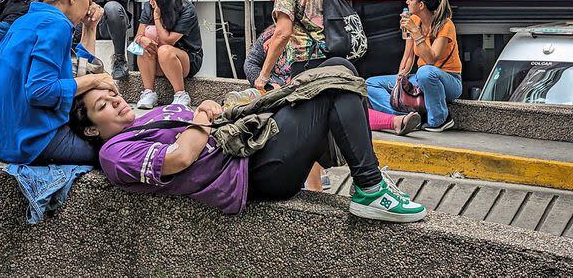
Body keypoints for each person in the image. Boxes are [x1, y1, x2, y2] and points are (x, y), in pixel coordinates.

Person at [69, 57, 427, 223]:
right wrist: (200, 116)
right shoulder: (115, 154)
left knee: (341, 67)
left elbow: (202, 124)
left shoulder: (145, 118)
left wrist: (210, 109)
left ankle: (371, 179)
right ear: (90, 129)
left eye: (113, 95)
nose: (116, 101)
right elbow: (179, 157)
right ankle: (369, 187)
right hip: (251, 172)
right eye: (103, 105)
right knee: (334, 90)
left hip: (252, 142)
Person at [0, 0, 118, 165]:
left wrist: (90, 27)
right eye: (89, 1)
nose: (89, 8)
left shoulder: (26, 21)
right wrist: (96, 80)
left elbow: (78, 70)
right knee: (118, 148)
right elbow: (40, 91)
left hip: (9, 142)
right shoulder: (56, 25)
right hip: (36, 142)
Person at [245, 25, 421, 136]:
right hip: (282, 96)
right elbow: (250, 63)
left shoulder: (316, 39)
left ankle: (396, 121)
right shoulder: (271, 36)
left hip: (310, 91)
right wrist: (267, 85)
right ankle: (396, 121)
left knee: (344, 108)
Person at [366, 0, 463, 132]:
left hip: (448, 81)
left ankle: (439, 120)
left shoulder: (445, 25)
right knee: (370, 84)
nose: (407, 2)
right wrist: (401, 78)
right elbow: (408, 57)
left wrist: (416, 32)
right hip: (420, 78)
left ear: (421, 4)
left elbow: (432, 59)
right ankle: (404, 118)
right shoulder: (415, 21)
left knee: (425, 71)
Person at [134, 0, 203, 110]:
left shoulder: (187, 10)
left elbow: (167, 40)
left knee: (164, 50)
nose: (150, 2)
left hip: (186, 60)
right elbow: (138, 36)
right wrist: (141, 40)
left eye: (154, 0)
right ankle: (148, 92)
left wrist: (157, 18)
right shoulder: (150, 6)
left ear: (165, 1)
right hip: (159, 61)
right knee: (141, 45)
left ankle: (181, 94)